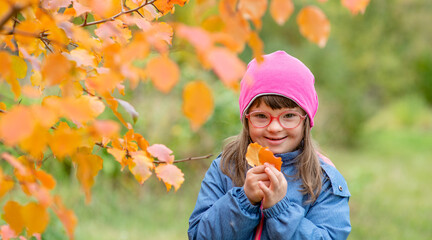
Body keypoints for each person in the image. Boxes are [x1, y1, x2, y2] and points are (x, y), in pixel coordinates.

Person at [188, 51, 351, 239]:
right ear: (246, 119)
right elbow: (199, 235)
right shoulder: (225, 167)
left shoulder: (324, 180)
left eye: (289, 116)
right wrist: (244, 200)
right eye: (261, 116)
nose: (274, 127)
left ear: (306, 120)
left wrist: (280, 210)